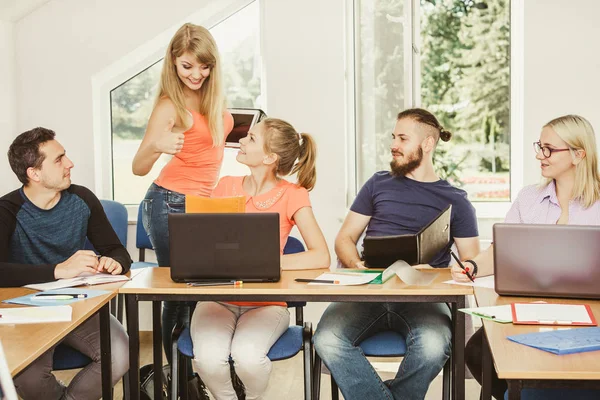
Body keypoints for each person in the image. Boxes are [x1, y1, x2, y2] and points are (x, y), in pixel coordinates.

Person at [313, 108, 480, 400]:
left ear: (427, 144)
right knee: (327, 339)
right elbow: (345, 238)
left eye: (403, 138)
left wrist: (465, 268)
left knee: (432, 347)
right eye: (394, 137)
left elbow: (472, 260)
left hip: (424, 297)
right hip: (369, 289)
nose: (394, 144)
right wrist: (358, 266)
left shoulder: (456, 201)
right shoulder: (378, 183)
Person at [457, 115, 600, 400]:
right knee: (476, 350)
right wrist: (473, 266)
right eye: (539, 146)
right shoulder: (528, 198)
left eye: (548, 149)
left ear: (578, 154)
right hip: (530, 307)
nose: (539, 155)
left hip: (592, 313)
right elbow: (500, 250)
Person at [189, 118, 330, 400]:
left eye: (251, 138)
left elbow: (321, 255)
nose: (240, 140)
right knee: (207, 359)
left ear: (270, 157)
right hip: (218, 298)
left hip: (267, 304)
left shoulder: (293, 194)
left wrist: (266, 262)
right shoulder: (225, 185)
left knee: (248, 358)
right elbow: (202, 245)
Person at [0, 127, 130, 400]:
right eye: (59, 159)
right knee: (28, 377)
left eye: (65, 156)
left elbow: (117, 250)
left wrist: (114, 261)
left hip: (76, 303)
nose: (70, 163)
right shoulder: (6, 211)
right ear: (34, 174)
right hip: (26, 310)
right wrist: (58, 270)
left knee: (119, 355)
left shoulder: (82, 199)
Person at [132, 23, 234, 362]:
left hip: (202, 204)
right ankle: (178, 382)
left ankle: (193, 373)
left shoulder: (212, 97)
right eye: (187, 66)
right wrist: (158, 145)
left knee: (199, 292)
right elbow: (138, 166)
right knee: (179, 293)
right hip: (169, 202)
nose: (196, 74)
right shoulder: (169, 105)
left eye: (204, 66)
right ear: (173, 62)